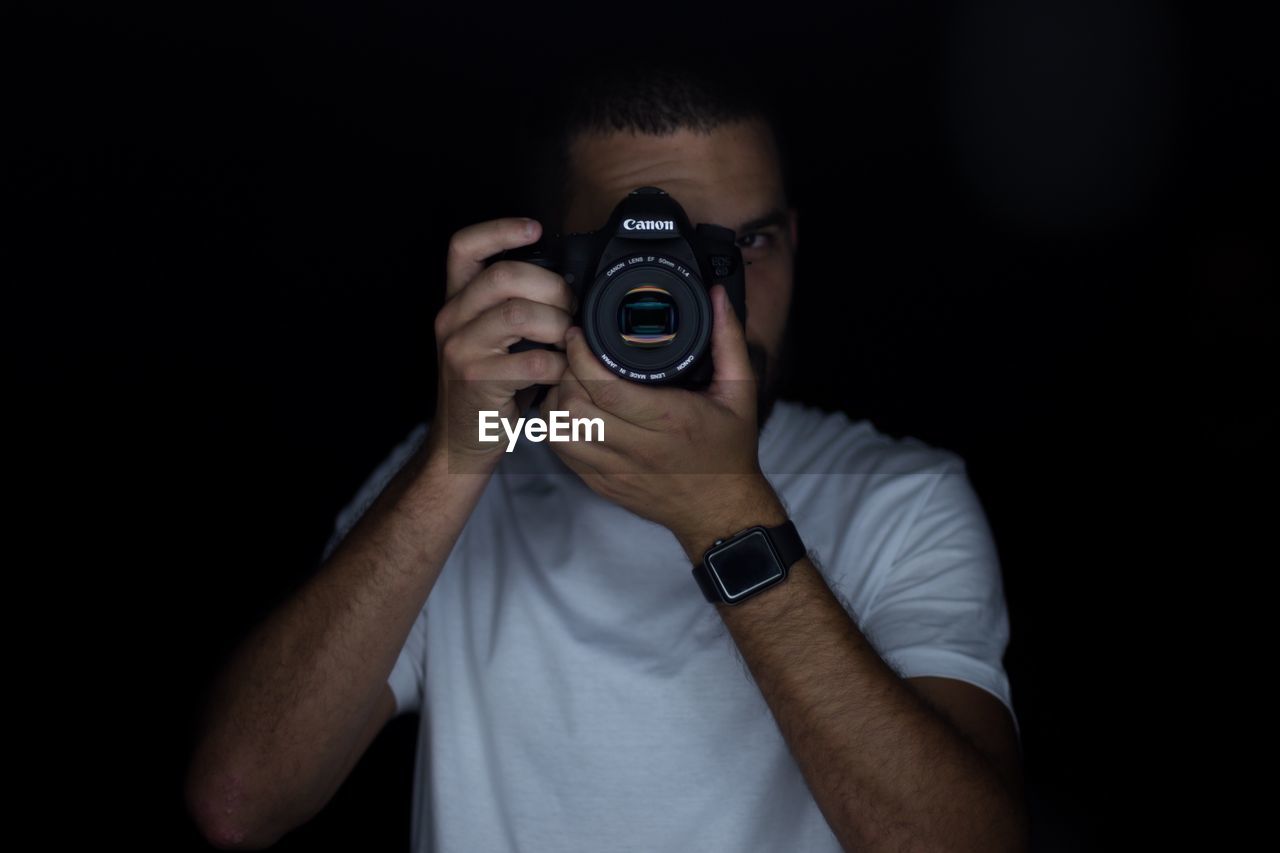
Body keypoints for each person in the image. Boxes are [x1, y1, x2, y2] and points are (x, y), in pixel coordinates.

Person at [185, 56, 1029, 852]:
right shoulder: (464, 475)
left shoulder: (899, 498)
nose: (711, 300)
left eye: (745, 248)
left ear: (795, 239)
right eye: (654, 259)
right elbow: (241, 799)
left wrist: (726, 513)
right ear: (553, 267)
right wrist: (458, 457)